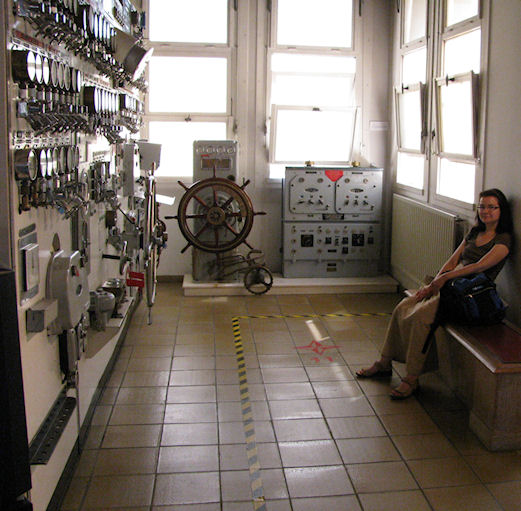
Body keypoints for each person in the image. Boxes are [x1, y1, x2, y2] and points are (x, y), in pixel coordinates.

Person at [356, 188, 514, 399]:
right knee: (403, 307)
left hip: (469, 294)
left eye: (492, 207)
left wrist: (445, 279)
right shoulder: (474, 232)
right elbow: (453, 260)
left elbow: (479, 266)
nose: (486, 211)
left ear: (501, 210)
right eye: (482, 206)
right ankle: (384, 362)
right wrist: (434, 283)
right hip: (450, 285)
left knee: (421, 318)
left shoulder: (503, 239)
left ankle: (412, 378)